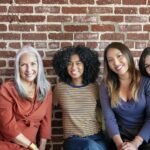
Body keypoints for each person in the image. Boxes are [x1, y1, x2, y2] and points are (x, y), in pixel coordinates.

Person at [52, 45, 107, 150]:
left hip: (97, 137)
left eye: (78, 63)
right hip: (73, 140)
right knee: (90, 146)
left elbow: (106, 110)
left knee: (94, 146)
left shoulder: (95, 87)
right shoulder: (60, 88)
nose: (73, 67)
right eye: (69, 63)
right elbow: (46, 112)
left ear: (86, 65)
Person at [100, 42, 150, 150]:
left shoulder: (146, 83)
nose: (116, 63)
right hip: (120, 138)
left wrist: (136, 143)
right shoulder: (106, 86)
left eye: (119, 56)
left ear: (127, 55)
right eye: (110, 60)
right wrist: (120, 145)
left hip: (146, 137)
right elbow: (109, 118)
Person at [0, 45, 52, 150]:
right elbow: (7, 127)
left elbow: (46, 124)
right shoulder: (7, 89)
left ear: (39, 66)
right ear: (18, 68)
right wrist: (32, 146)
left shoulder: (46, 90)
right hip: (7, 144)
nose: (29, 69)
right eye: (23, 65)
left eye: (33, 64)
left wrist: (41, 148)